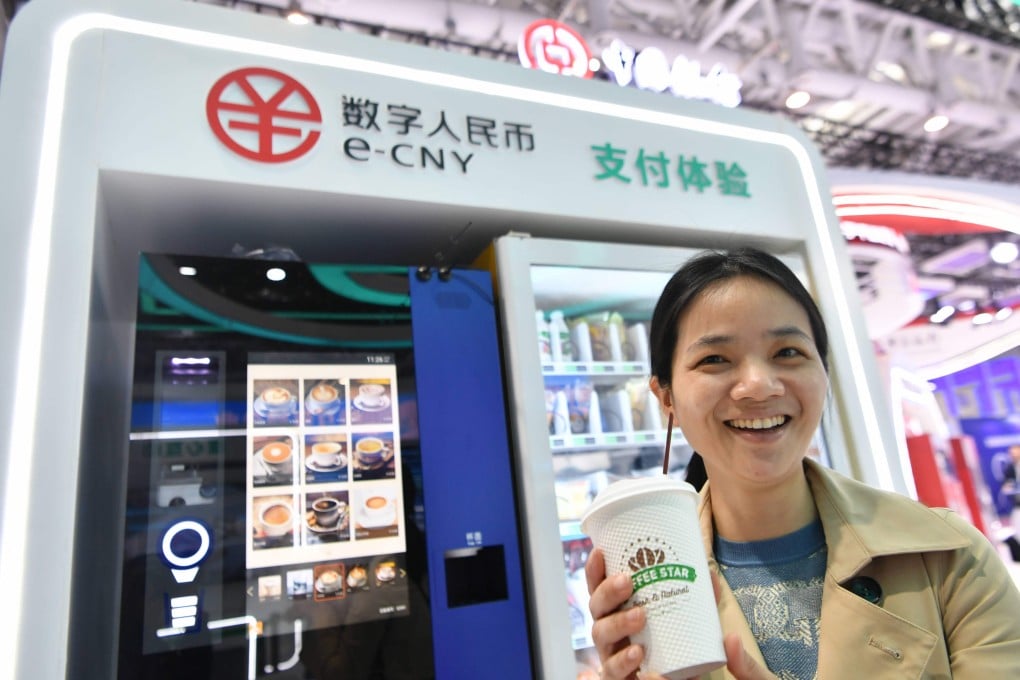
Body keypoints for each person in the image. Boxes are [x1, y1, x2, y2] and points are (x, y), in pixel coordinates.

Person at [585, 247, 1020, 679]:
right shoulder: (653, 594)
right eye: (715, 359)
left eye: (788, 352)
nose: (758, 385)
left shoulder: (951, 559)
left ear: (823, 374)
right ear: (666, 400)